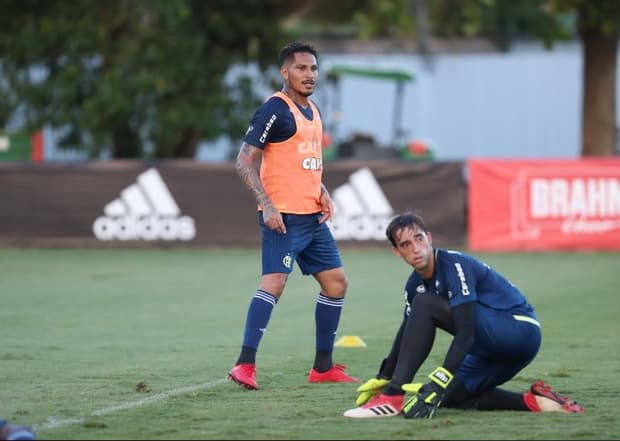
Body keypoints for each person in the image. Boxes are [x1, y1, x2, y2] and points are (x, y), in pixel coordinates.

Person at [344, 212, 584, 418]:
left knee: (425, 305)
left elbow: (466, 331)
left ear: (429, 238)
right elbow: (407, 330)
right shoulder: (414, 285)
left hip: (518, 330)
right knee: (449, 397)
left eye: (418, 239)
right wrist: (384, 375)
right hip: (491, 349)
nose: (415, 248)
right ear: (397, 252)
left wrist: (437, 379)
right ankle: (535, 401)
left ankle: (393, 399)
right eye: (405, 244)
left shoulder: (453, 265)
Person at [228, 41, 359, 390]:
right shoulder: (275, 109)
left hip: (312, 217)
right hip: (283, 217)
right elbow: (244, 160)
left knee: (336, 283)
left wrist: (322, 189)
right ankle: (245, 365)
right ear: (285, 72)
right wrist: (267, 205)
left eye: (314, 69)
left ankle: (323, 367)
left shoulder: (314, 110)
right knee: (274, 283)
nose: (309, 75)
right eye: (301, 68)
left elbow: (305, 161)